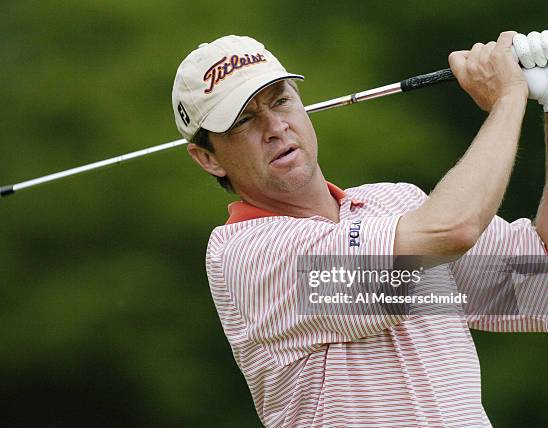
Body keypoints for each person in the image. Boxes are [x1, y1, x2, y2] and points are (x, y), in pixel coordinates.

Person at [172, 33, 547, 427]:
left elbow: (539, 281)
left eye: (281, 100)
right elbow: (452, 231)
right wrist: (507, 99)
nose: (275, 127)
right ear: (207, 158)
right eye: (244, 120)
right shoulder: (249, 255)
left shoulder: (397, 204)